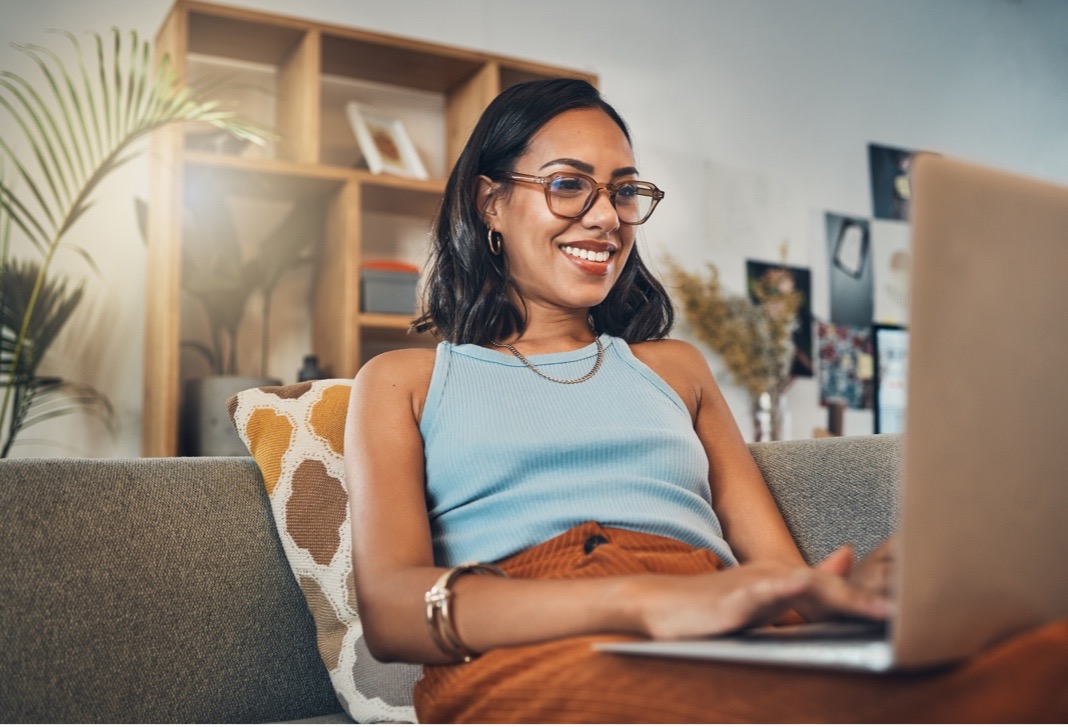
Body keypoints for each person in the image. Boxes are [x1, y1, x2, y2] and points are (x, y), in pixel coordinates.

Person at [344, 78, 1067, 723]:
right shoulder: (405, 381)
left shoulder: (677, 369)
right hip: (529, 644)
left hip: (717, 626)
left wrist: (866, 595)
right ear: (490, 201)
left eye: (624, 191)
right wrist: (639, 599)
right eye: (570, 184)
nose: (606, 218)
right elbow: (395, 611)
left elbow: (782, 587)